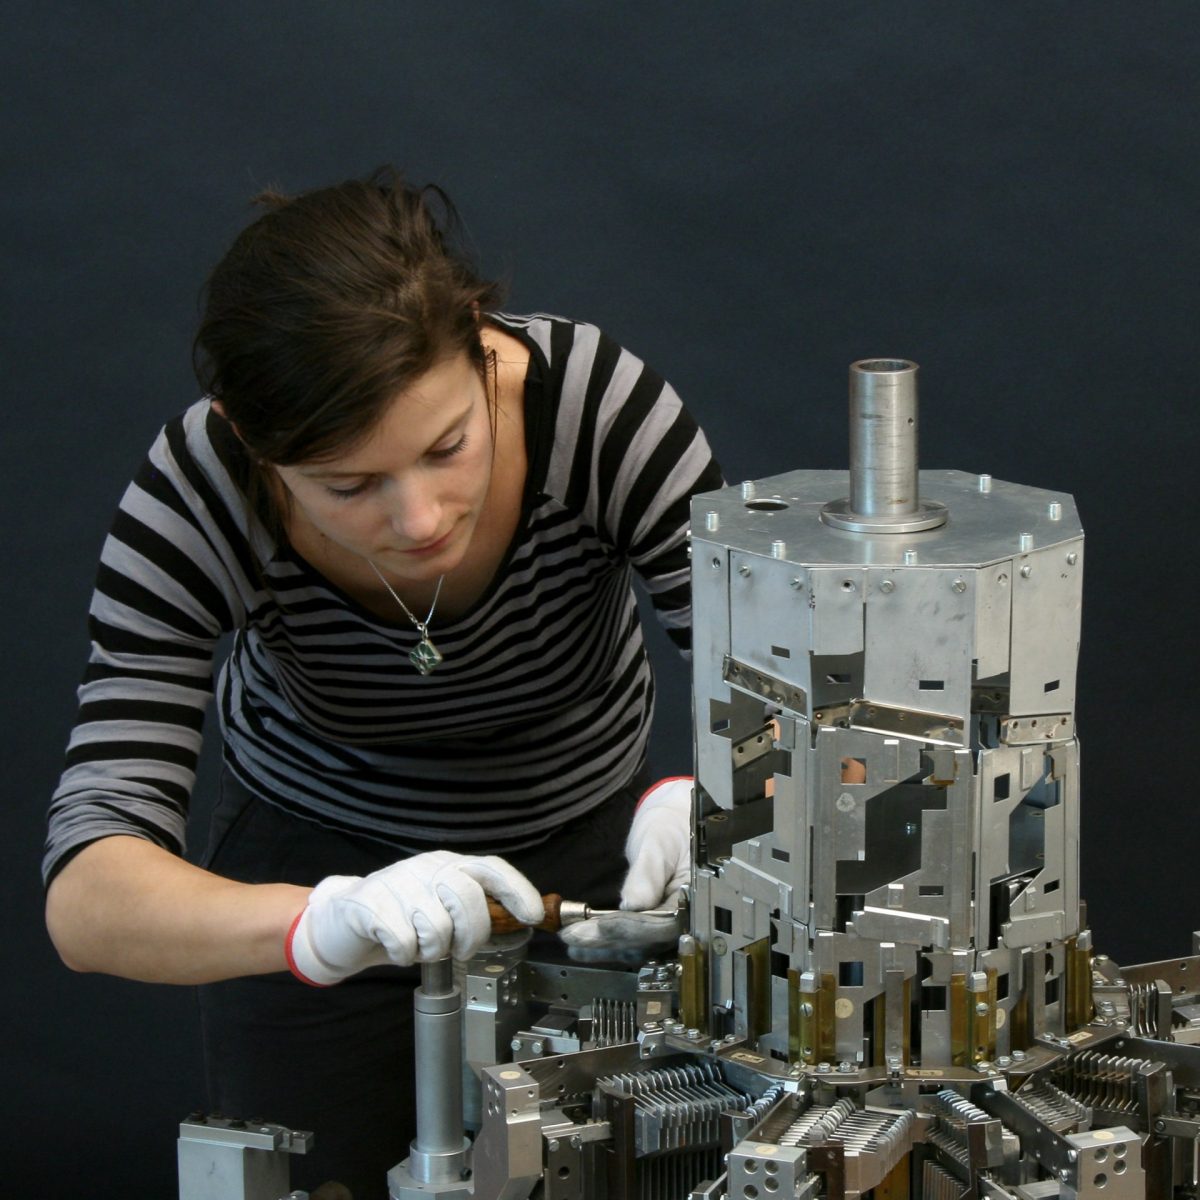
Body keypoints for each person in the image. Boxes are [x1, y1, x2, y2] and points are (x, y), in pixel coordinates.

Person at [43, 169, 722, 1198]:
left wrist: (704, 800)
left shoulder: (599, 409)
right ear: (245, 437)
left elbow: (770, 687)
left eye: (449, 446)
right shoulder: (196, 490)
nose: (419, 522)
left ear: (478, 335)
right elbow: (88, 897)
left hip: (592, 855)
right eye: (347, 487)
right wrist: (321, 922)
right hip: (318, 861)